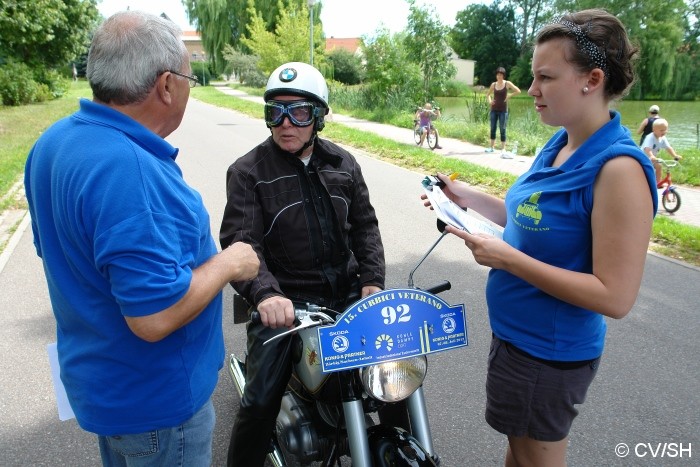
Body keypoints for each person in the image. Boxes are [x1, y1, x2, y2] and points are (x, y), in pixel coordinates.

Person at [24, 11, 259, 466]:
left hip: (105, 388)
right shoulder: (128, 170)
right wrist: (230, 263)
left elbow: (59, 255)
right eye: (190, 77)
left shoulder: (53, 143)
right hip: (157, 407)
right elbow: (153, 316)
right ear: (167, 85)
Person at [424, 9, 657, 467]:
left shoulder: (619, 171)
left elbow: (615, 296)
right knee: (519, 450)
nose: (531, 90)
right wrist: (465, 198)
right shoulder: (561, 142)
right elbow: (528, 214)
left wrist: (507, 260)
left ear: (591, 79)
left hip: (547, 357)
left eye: (545, 77)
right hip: (517, 340)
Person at [219, 61, 386, 467]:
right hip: (287, 303)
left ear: (319, 117)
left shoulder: (343, 164)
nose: (285, 123)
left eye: (299, 112)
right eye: (275, 112)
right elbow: (241, 242)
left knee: (390, 378)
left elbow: (364, 226)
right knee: (260, 399)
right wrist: (266, 295)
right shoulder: (247, 172)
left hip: (346, 294)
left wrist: (373, 281)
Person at [485, 66, 521, 156]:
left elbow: (518, 91)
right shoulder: (493, 84)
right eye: (498, 74)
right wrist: (490, 102)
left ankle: (503, 149)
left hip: (503, 111)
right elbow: (488, 95)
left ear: (503, 75)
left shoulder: (507, 83)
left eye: (501, 74)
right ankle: (492, 148)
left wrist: (509, 95)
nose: (499, 76)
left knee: (502, 129)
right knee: (492, 128)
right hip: (494, 110)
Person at [641, 118, 683, 184]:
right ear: (654, 130)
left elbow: (668, 147)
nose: (664, 132)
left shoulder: (662, 138)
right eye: (661, 130)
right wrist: (651, 156)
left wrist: (675, 155)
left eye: (665, 130)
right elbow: (647, 148)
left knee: (659, 166)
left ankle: (658, 183)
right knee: (649, 170)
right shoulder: (650, 137)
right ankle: (649, 183)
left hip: (652, 158)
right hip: (643, 158)